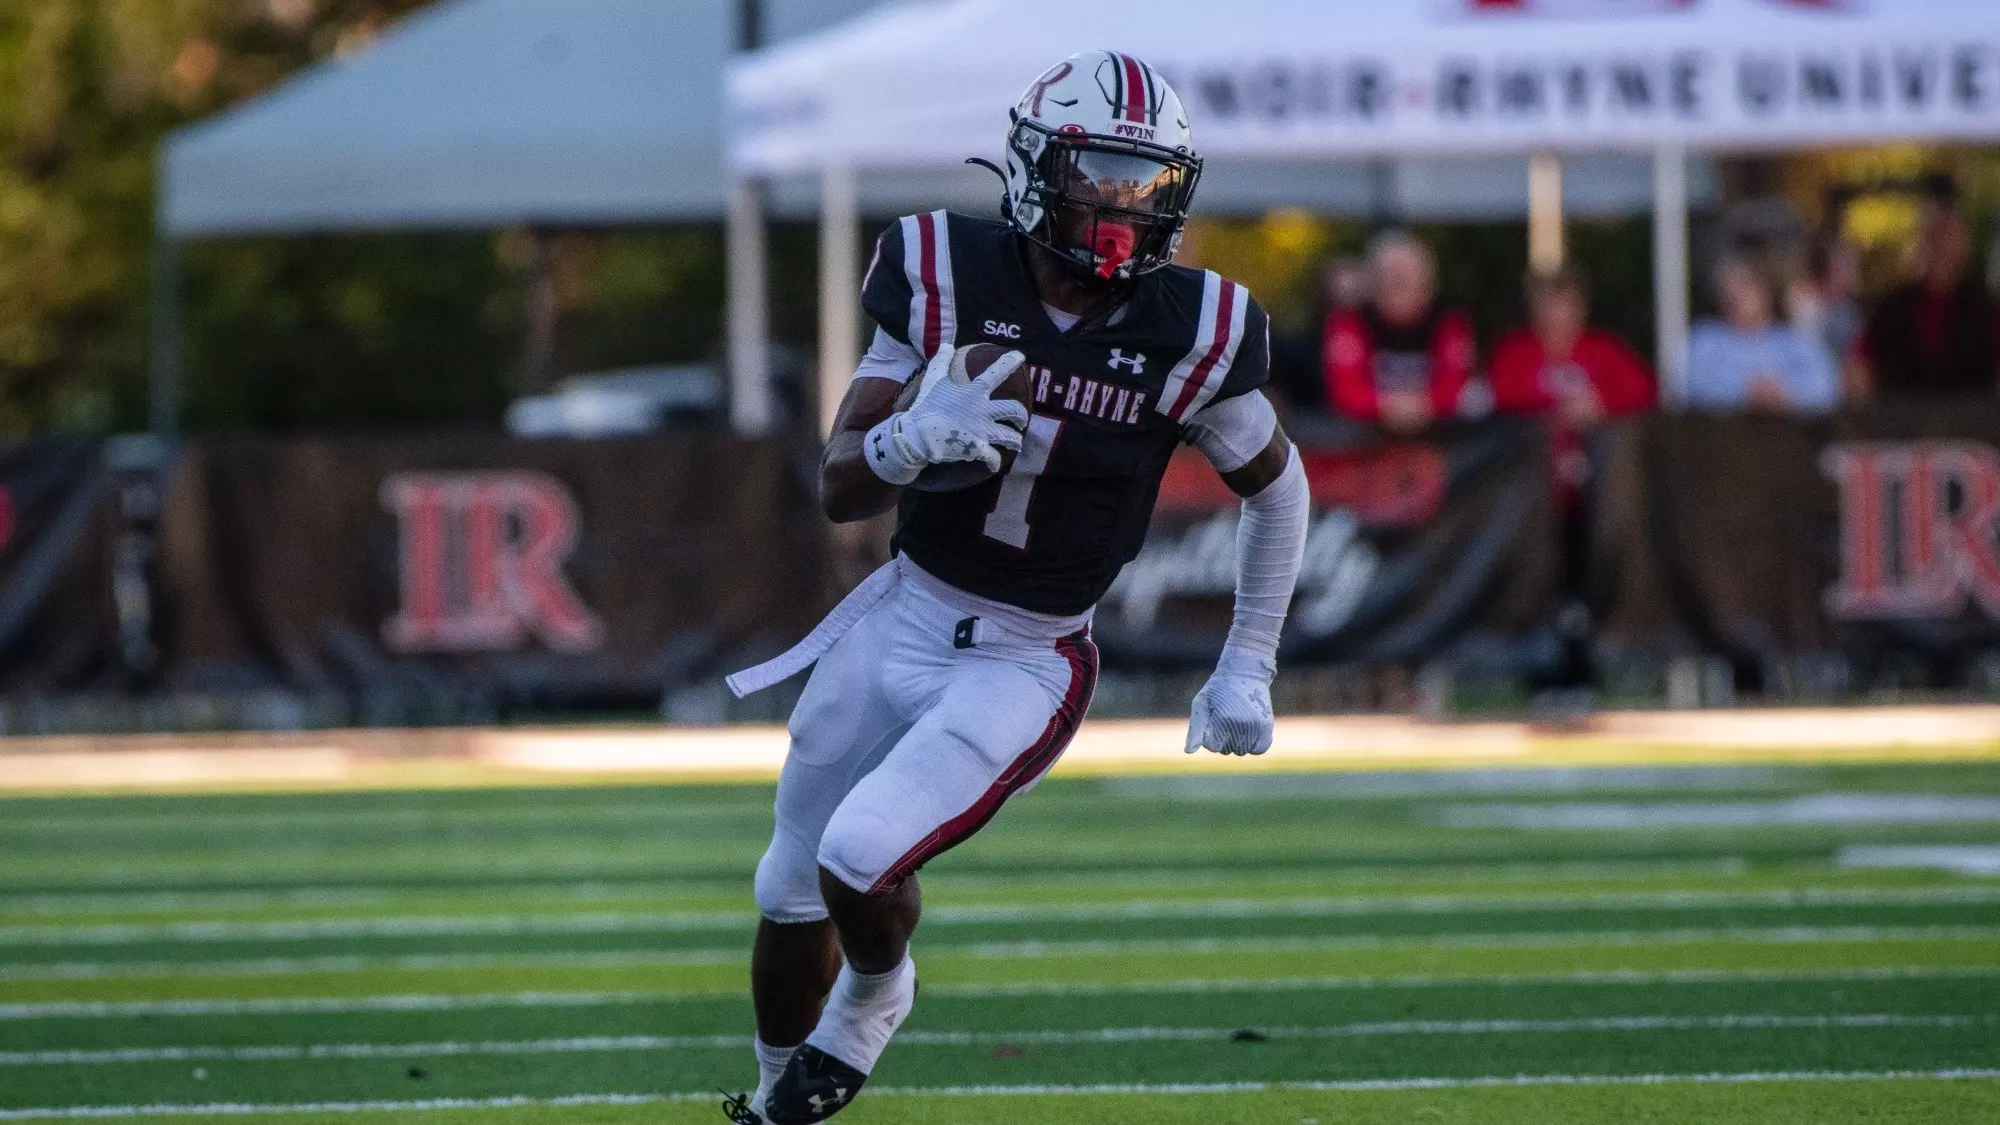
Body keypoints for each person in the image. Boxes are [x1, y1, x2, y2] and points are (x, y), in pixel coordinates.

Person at [720, 51, 1308, 1125]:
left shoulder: (1194, 328)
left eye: (1148, 178)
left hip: (1024, 655)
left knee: (861, 856)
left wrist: (1246, 663)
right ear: (1040, 169)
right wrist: (902, 442)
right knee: (786, 885)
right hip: (900, 609)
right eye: (1104, 174)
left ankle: (873, 999)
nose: (1127, 204)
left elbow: (1278, 488)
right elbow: (839, 487)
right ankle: (771, 1103)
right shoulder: (944, 271)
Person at [1490, 265, 1655, 494]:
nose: (1558, 314)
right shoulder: (1515, 350)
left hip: (1597, 468)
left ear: (1581, 308)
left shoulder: (1605, 349)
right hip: (1533, 473)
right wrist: (1559, 405)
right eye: (1549, 305)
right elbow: (1502, 391)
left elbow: (1643, 389)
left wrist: (1601, 403)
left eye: (1566, 304)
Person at [1321, 231, 1477, 433]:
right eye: (1384, 281)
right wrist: (1389, 408)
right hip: (1366, 447)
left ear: (1428, 286)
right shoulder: (1348, 323)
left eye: (1403, 282)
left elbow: (1457, 388)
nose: (1391, 290)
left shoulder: (1449, 323)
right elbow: (1345, 391)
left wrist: (1423, 406)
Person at [1859, 200, 2000, 400]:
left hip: (1970, 425)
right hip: (1902, 422)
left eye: (1950, 237)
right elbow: (1861, 364)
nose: (1942, 247)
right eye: (1935, 236)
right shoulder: (1894, 308)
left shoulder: (1984, 310)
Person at [1684, 254, 1839, 414]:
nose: (1735, 297)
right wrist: (1747, 393)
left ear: (1765, 292)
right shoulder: (1706, 339)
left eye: (1745, 287)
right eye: (1729, 289)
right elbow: (1691, 384)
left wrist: (1785, 393)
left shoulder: (1795, 341)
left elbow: (1826, 386)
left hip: (1789, 433)